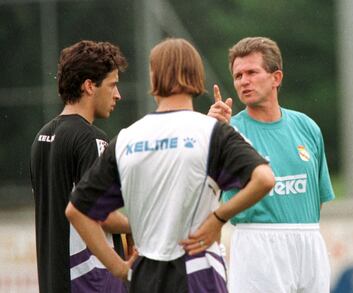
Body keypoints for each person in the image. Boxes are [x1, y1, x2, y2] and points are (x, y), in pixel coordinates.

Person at [65, 37, 275, 292]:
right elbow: (264, 179)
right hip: (198, 272)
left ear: (153, 80)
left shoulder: (126, 138)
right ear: (197, 78)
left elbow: (76, 211)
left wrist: (119, 268)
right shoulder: (211, 133)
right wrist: (218, 219)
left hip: (145, 276)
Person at [201, 36, 335, 292]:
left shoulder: (307, 127)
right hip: (256, 243)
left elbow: (316, 197)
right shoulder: (228, 130)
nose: (244, 81)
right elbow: (200, 187)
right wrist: (210, 133)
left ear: (276, 78)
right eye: (238, 75)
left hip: (309, 240)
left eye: (252, 72)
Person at [30, 40, 133, 293]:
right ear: (89, 86)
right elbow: (102, 214)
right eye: (112, 85)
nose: (118, 94)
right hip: (90, 281)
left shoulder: (40, 138)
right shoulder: (92, 138)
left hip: (54, 280)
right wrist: (138, 226)